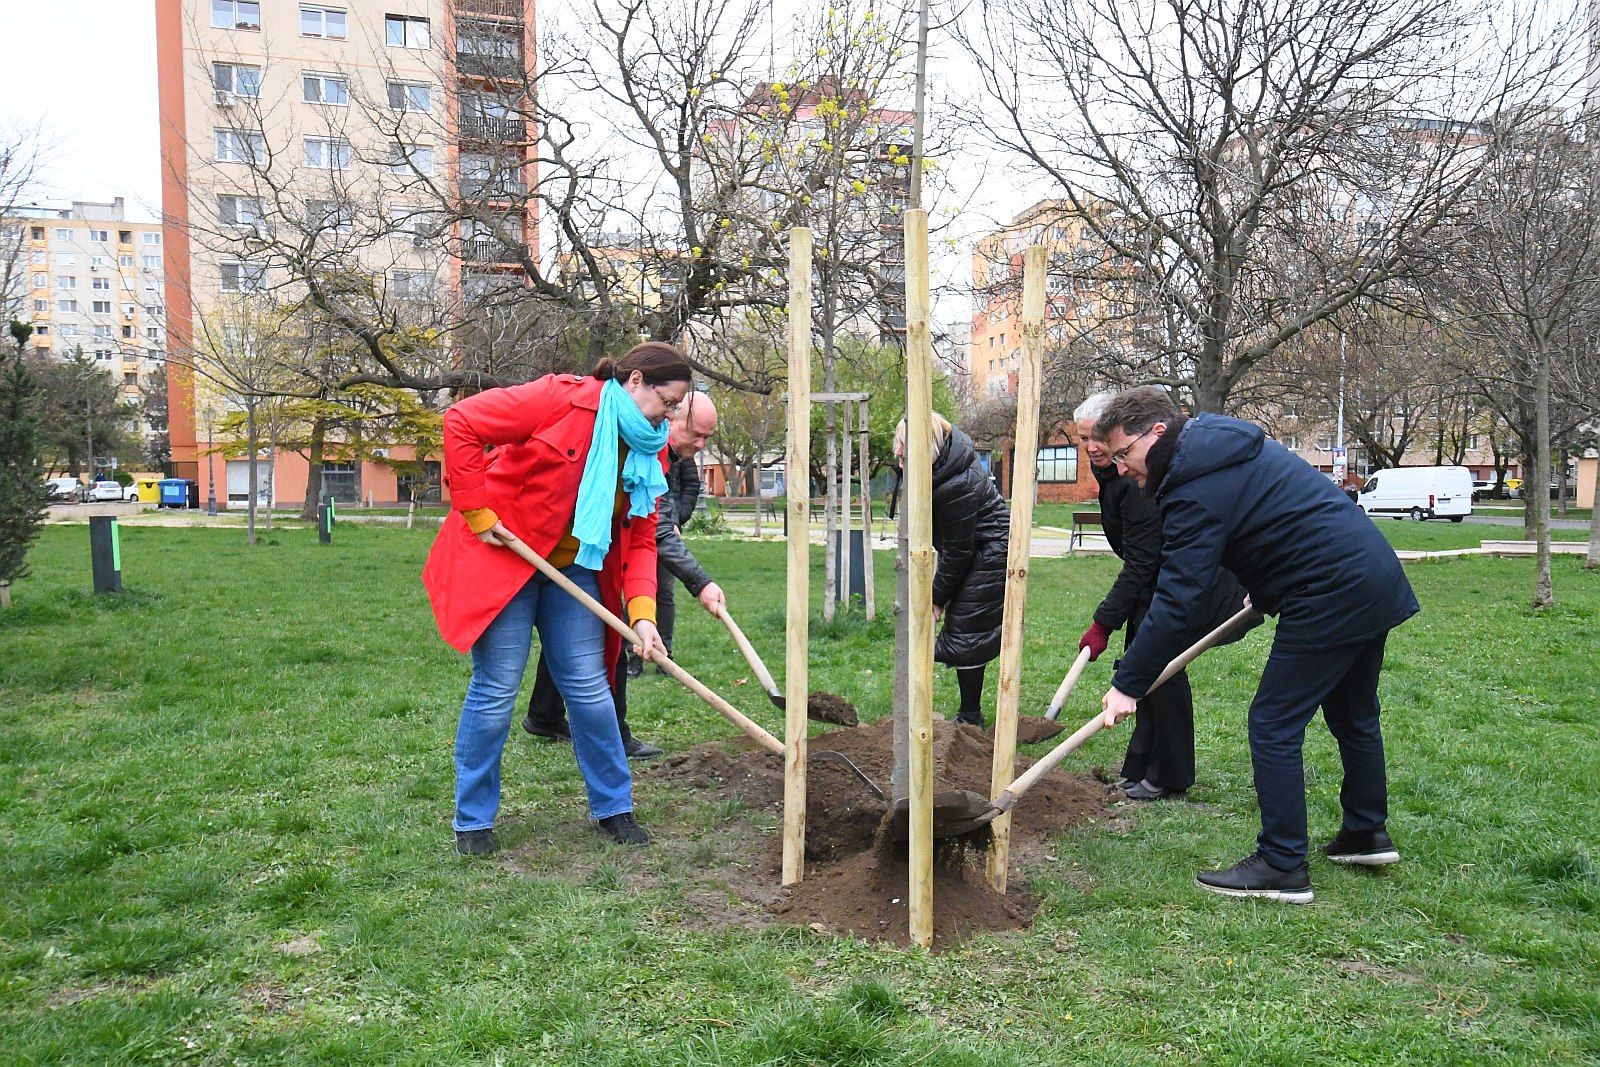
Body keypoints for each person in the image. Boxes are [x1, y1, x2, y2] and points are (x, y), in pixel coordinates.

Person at [1094, 387, 1417, 903]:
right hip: (1368, 574)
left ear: (1155, 434)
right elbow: (1276, 522)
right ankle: (1364, 834)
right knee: (1354, 714)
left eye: (1122, 454)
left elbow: (1179, 597)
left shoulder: (1191, 483)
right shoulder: (1218, 448)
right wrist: (1265, 587)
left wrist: (1129, 682)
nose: (1122, 468)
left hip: (1329, 589)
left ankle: (1283, 862)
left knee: (1273, 723)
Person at [422, 342, 692, 856]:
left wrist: (642, 614)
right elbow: (462, 421)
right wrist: (476, 511)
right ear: (634, 381)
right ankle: (472, 821)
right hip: (507, 555)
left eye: (678, 406)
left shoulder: (649, 448)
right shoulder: (558, 400)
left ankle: (615, 808)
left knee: (590, 689)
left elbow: (639, 536)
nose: (672, 414)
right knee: (498, 688)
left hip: (575, 567)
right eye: (669, 401)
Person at [521, 391, 726, 759]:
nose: (701, 445)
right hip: (591, 549)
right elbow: (655, 531)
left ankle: (545, 714)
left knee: (581, 637)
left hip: (611, 551)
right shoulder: (646, 445)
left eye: (707, 438)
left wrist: (675, 519)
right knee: (607, 640)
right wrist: (701, 583)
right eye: (695, 434)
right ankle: (613, 733)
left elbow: (666, 514)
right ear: (670, 416)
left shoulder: (668, 449)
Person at [1074, 391, 1252, 800]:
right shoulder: (1114, 476)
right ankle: (1141, 766)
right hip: (1155, 583)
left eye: (1098, 438)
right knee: (1143, 667)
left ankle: (1168, 774)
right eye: (1084, 439)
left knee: (1161, 673)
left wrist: (1105, 621)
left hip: (1186, 586)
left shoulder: (1136, 483)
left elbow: (1143, 561)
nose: (1092, 447)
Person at [893, 413, 1009, 727]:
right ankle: (963, 713)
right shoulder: (944, 467)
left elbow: (958, 551)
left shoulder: (956, 482)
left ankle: (970, 717)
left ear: (925, 445)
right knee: (965, 631)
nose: (897, 452)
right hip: (975, 547)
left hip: (992, 553)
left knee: (968, 631)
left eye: (904, 445)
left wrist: (936, 599)